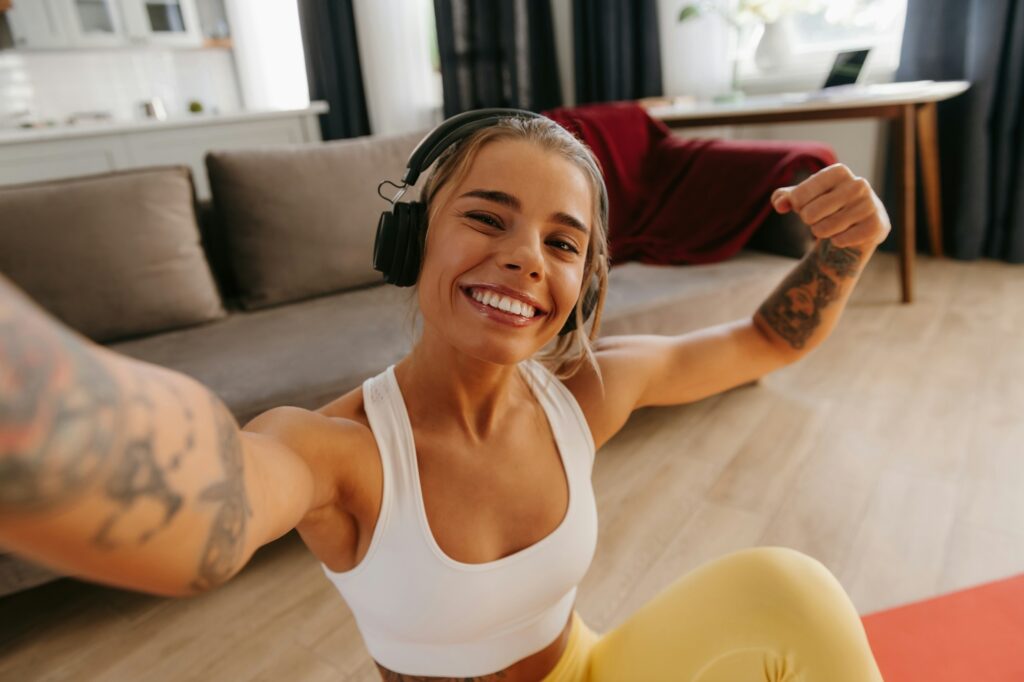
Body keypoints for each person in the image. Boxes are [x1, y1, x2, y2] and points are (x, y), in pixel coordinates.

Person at [0, 109, 889, 682]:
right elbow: (200, 510)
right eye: (487, 217)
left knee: (789, 589)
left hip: (590, 670)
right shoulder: (336, 451)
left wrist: (844, 250)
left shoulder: (587, 394)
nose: (526, 257)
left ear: (584, 279)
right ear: (411, 239)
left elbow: (766, 339)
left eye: (562, 241)